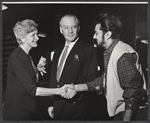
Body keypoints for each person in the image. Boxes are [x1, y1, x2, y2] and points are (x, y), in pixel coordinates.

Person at [64, 13, 147, 121]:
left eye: (96, 33)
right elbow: (102, 81)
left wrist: (126, 119)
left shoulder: (122, 54)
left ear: (107, 34)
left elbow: (133, 91)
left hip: (132, 114)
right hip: (124, 113)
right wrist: (75, 88)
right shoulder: (111, 52)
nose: (94, 37)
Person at [3, 19, 75, 121]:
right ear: (23, 38)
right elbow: (33, 90)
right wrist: (60, 91)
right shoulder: (17, 58)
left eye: (37, 34)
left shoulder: (26, 55)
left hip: (26, 108)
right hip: (17, 111)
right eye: (33, 35)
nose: (37, 38)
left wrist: (36, 69)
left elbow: (24, 78)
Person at [48, 14, 98, 120]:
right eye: (66, 27)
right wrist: (51, 103)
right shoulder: (57, 51)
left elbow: (91, 80)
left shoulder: (87, 49)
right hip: (58, 104)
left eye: (73, 27)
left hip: (77, 106)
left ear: (78, 28)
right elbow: (53, 78)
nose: (70, 31)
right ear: (61, 30)